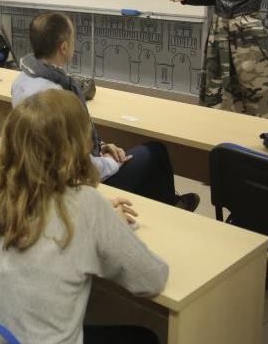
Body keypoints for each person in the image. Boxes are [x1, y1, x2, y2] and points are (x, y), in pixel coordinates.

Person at [0, 89, 167, 344]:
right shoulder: (85, 206)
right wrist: (107, 224)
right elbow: (151, 279)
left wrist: (102, 221)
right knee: (145, 342)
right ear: (77, 145)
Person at [12, 12, 199, 211]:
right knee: (155, 153)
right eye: (73, 39)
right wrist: (110, 163)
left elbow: (63, 143)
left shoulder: (21, 81)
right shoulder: (59, 98)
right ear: (64, 47)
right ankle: (169, 210)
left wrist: (100, 146)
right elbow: (79, 168)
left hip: (41, 175)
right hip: (75, 187)